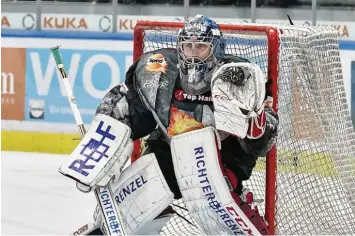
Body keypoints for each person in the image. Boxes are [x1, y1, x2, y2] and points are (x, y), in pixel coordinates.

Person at [90, 14, 278, 235]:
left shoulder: (238, 76)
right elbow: (133, 111)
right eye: (188, 46)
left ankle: (241, 210)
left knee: (209, 200)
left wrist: (256, 126)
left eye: (201, 47)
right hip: (168, 153)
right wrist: (105, 136)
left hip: (221, 161)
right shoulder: (161, 70)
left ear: (216, 49)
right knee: (120, 210)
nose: (193, 53)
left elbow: (261, 142)